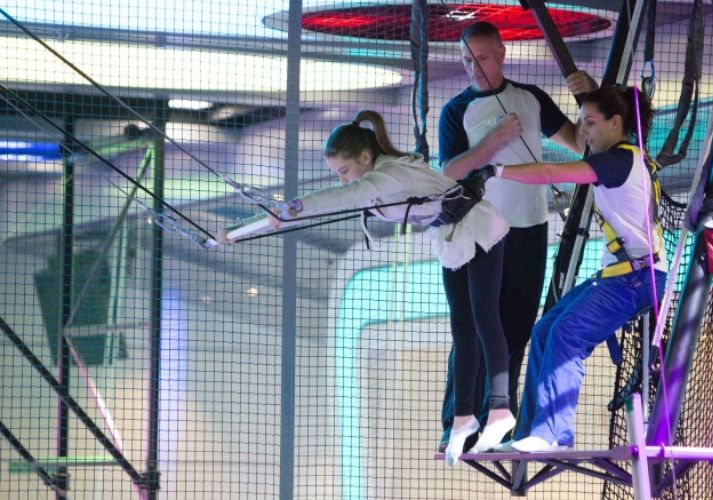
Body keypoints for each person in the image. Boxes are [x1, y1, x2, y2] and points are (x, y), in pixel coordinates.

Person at [217, 110, 515, 466]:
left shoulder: (387, 175)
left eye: (344, 172)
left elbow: (336, 199)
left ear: (364, 158)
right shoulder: (378, 179)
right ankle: (463, 418)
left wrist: (289, 210)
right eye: (337, 175)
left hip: (480, 229)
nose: (343, 181)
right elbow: (345, 196)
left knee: (484, 318)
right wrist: (246, 228)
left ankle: (500, 410)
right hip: (452, 238)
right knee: (463, 330)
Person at [436, 20, 592, 452]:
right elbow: (449, 171)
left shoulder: (530, 98)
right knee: (473, 326)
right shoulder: (457, 110)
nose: (475, 68)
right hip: (482, 233)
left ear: (501, 54)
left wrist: (588, 96)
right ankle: (459, 421)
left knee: (517, 327)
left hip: (529, 227)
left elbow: (582, 144)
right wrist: (494, 140)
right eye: (467, 60)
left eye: (482, 58)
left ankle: (500, 420)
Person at [489, 85, 667, 452]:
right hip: (621, 275)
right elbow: (588, 92)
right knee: (545, 330)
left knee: (568, 334)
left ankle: (555, 432)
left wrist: (498, 171)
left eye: (589, 122)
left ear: (615, 122)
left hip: (638, 279)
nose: (582, 131)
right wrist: (581, 82)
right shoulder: (621, 157)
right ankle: (531, 433)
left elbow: (553, 170)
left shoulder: (618, 160)